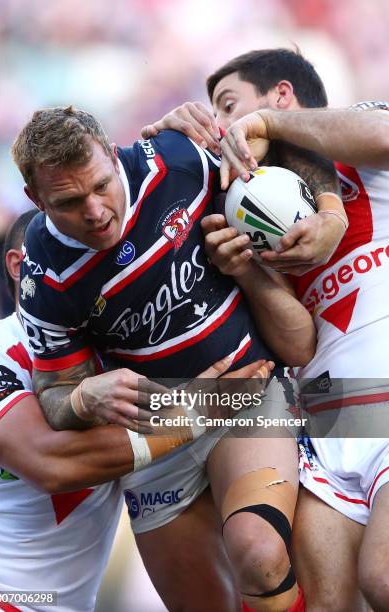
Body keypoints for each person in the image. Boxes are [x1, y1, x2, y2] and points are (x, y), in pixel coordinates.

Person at [10, 105, 341, 611]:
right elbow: (55, 399)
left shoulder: (178, 160)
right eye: (70, 202)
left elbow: (296, 145)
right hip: (158, 429)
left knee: (258, 553)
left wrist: (329, 213)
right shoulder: (42, 277)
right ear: (36, 199)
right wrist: (81, 398)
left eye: (102, 186)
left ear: (113, 154)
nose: (96, 211)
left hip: (245, 393)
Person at [143, 48, 389, 611]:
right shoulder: (241, 206)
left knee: (383, 580)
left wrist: (267, 125)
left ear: (280, 94)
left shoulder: (359, 144)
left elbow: (382, 133)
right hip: (329, 434)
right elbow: (299, 343)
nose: (223, 123)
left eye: (229, 105)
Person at [0, 209, 270, 611]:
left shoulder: (125, 347)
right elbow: (48, 464)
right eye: (65, 253)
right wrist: (194, 412)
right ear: (19, 266)